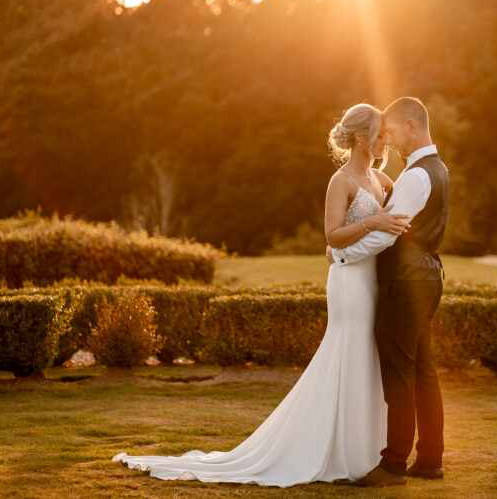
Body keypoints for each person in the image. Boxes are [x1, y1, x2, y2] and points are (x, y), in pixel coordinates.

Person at [112, 102, 409, 487]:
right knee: (349, 352)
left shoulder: (382, 180)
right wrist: (372, 221)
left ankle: (368, 451)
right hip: (349, 283)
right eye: (381, 134)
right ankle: (336, 451)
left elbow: (403, 217)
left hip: (374, 281)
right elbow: (332, 236)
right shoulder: (342, 181)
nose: (386, 141)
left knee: (368, 357)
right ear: (362, 137)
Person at [330, 96, 449, 487]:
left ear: (411, 126)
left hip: (405, 282)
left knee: (399, 373)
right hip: (426, 277)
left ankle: (394, 463)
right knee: (423, 370)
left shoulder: (415, 176)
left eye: (394, 132)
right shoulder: (438, 169)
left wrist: (340, 255)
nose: (391, 141)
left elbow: (386, 234)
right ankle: (429, 459)